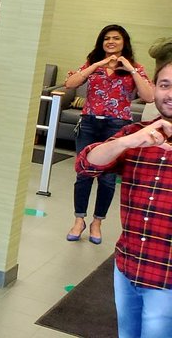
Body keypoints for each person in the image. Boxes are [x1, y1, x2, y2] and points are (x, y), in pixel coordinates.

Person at [76, 38, 172, 338]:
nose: (170, 94)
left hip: (166, 279)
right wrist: (128, 141)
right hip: (128, 266)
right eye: (165, 85)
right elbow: (85, 165)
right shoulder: (138, 134)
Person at [62, 24, 153, 245]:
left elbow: (149, 96)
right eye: (107, 38)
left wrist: (130, 69)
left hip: (117, 127)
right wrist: (95, 65)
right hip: (89, 124)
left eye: (116, 38)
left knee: (108, 178)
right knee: (83, 174)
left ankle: (97, 222)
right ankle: (79, 220)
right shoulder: (93, 64)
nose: (111, 42)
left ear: (124, 42)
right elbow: (70, 84)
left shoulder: (135, 67)